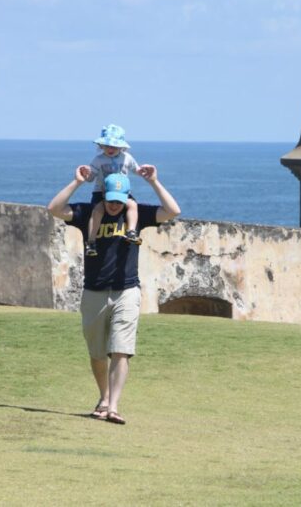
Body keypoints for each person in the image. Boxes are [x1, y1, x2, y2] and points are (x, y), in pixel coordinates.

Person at [47, 164, 181, 425]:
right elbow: (54, 209)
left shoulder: (137, 214)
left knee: (121, 350)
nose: (114, 206)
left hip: (127, 291)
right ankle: (103, 397)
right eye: (110, 201)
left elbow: (173, 211)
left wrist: (154, 182)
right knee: (97, 352)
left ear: (127, 199)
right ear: (104, 196)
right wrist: (76, 182)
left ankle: (114, 407)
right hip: (94, 291)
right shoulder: (88, 213)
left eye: (120, 202)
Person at [85, 124, 141, 257]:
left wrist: (144, 171)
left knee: (132, 205)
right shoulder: (98, 160)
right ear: (101, 145)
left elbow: (136, 170)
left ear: (121, 147)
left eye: (114, 146)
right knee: (98, 210)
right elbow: (90, 178)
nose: (110, 149)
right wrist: (85, 174)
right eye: (107, 146)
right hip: (101, 191)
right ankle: (91, 241)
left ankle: (131, 231)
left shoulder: (127, 158)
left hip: (122, 192)